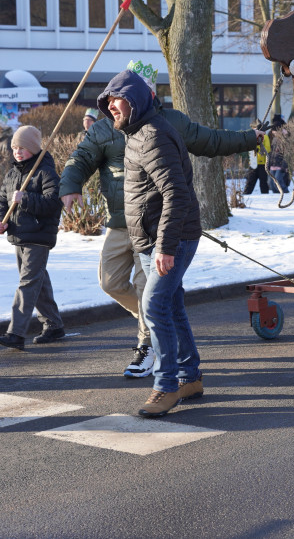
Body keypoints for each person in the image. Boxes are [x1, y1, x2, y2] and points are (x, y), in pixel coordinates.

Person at [60, 59, 262, 378]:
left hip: (158, 226)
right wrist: (70, 184)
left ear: (147, 94)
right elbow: (81, 157)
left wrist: (250, 139)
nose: (116, 103)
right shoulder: (106, 128)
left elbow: (211, 141)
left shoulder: (168, 124)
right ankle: (159, 336)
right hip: (121, 222)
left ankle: (154, 355)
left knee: (151, 295)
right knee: (111, 282)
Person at [97, 69, 203, 418]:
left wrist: (166, 247)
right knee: (171, 307)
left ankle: (166, 386)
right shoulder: (137, 133)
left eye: (118, 99)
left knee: (155, 307)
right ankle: (190, 377)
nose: (111, 105)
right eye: (108, 100)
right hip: (150, 240)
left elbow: (176, 193)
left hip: (170, 240)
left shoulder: (153, 135)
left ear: (136, 101)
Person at [0, 124, 64, 349]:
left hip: (38, 236)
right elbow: (2, 200)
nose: (17, 152)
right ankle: (53, 325)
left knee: (28, 283)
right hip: (18, 235)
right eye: (14, 147)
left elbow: (54, 203)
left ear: (33, 148)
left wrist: (26, 199)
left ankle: (16, 333)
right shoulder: (13, 172)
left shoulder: (45, 171)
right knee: (37, 281)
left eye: (22, 147)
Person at [243, 129, 276, 194]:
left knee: (263, 182)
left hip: (262, 163)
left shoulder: (265, 136)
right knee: (250, 181)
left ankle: (265, 196)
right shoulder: (251, 136)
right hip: (253, 163)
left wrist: (260, 149)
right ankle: (245, 195)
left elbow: (268, 149)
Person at [267, 123, 290, 193]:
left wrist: (284, 166)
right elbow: (272, 153)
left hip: (280, 165)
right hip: (273, 164)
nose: (273, 133)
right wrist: (269, 163)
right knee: (271, 182)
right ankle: (276, 195)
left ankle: (285, 192)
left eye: (274, 131)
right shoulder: (274, 139)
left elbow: (286, 154)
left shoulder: (284, 140)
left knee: (278, 180)